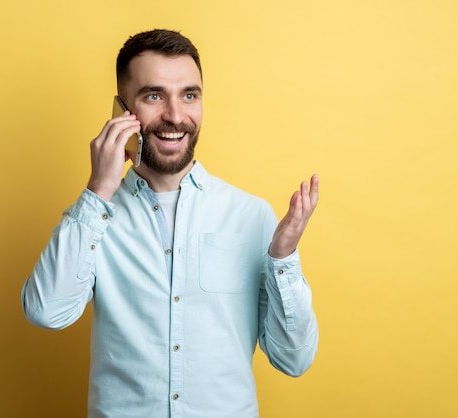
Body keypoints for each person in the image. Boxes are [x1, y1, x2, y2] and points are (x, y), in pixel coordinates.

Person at [22, 29, 319, 418]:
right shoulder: (94, 220)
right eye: (154, 96)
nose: (176, 116)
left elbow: (293, 360)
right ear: (121, 109)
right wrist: (98, 191)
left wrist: (283, 258)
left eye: (189, 95)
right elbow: (46, 312)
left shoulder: (252, 215)